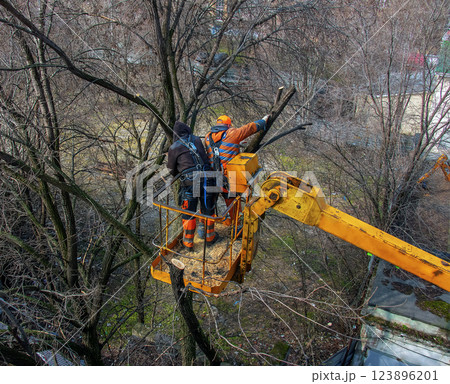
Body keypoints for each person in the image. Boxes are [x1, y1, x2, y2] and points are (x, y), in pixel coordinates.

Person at [204, 114, 268, 225]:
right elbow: (249, 128)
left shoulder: (208, 137)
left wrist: (236, 143)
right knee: (232, 202)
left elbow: (218, 150)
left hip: (212, 176)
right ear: (228, 125)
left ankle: (205, 229)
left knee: (209, 203)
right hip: (227, 177)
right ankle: (236, 225)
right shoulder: (232, 133)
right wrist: (263, 121)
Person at [167, 121, 219, 251]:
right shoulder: (196, 139)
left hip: (190, 182)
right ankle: (210, 238)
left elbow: (171, 170)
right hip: (208, 178)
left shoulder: (174, 147)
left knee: (188, 212)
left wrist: (179, 170)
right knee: (208, 209)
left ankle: (188, 244)